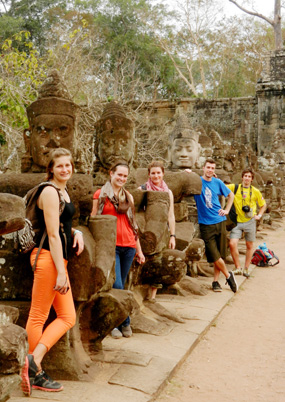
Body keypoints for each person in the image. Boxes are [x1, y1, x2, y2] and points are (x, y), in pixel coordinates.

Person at [21, 148, 84, 396]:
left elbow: (64, 226)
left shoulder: (62, 191)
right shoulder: (49, 191)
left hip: (58, 260)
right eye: (60, 166)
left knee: (68, 316)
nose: (65, 169)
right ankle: (34, 371)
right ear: (51, 168)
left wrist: (77, 233)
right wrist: (60, 272)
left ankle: (33, 361)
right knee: (38, 315)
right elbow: (53, 234)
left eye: (68, 165)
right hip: (48, 258)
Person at [91, 160, 145, 339]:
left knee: (122, 284)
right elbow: (94, 219)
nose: (121, 178)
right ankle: (122, 322)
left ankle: (118, 322)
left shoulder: (128, 196)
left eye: (125, 176)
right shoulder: (101, 195)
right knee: (118, 286)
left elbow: (133, 224)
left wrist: (140, 250)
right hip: (110, 245)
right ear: (111, 174)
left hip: (128, 244)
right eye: (119, 174)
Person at [193, 158, 238, 293]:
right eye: (208, 167)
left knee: (219, 253)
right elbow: (187, 178)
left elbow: (231, 195)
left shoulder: (217, 182)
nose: (210, 170)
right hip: (206, 223)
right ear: (203, 168)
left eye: (212, 168)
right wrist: (188, 172)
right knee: (213, 254)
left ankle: (215, 281)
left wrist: (227, 210)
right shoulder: (197, 182)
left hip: (220, 220)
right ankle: (229, 276)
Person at [139, 160, 176, 301]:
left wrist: (172, 235)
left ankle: (152, 296)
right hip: (146, 230)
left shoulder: (168, 192)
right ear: (149, 174)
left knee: (158, 261)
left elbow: (171, 216)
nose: (156, 176)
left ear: (163, 174)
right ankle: (143, 292)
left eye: (158, 173)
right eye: (153, 173)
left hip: (163, 231)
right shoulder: (142, 189)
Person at [227, 168, 266, 278]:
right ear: (242, 177)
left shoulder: (255, 191)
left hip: (250, 221)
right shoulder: (235, 188)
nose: (247, 178)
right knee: (232, 243)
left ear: (252, 179)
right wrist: (213, 177)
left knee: (249, 245)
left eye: (249, 176)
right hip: (237, 221)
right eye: (245, 176)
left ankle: (246, 268)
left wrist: (259, 215)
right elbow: (221, 186)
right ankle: (238, 267)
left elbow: (263, 205)